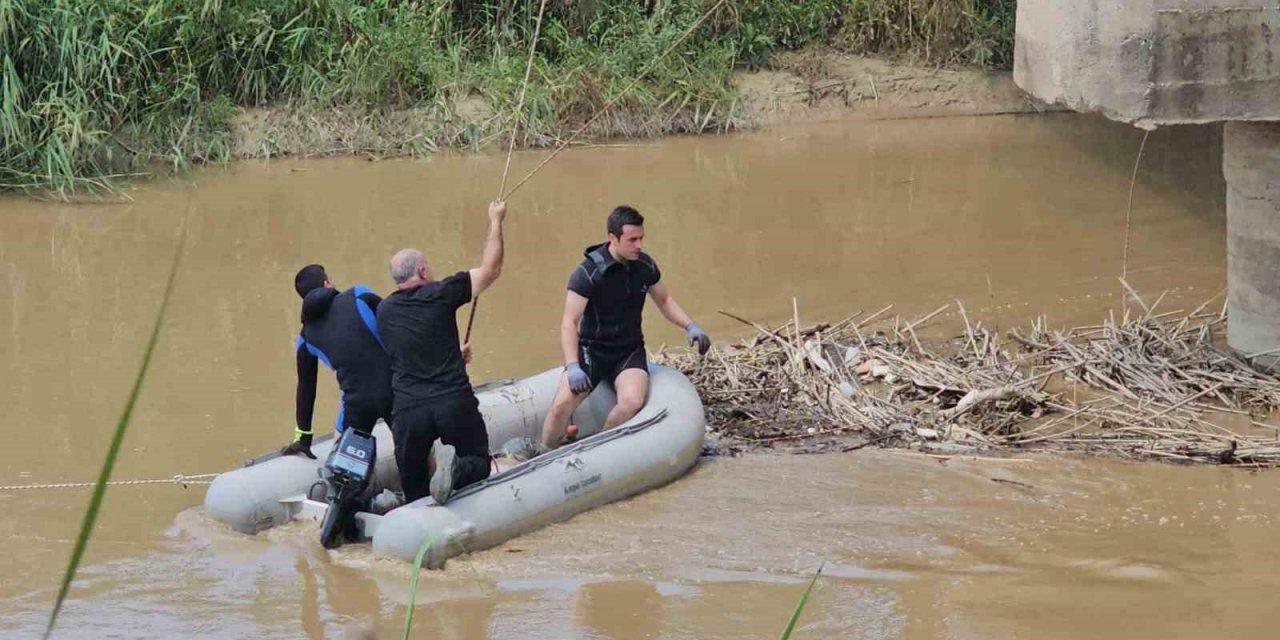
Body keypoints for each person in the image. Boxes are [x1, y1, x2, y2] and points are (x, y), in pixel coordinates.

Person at [539, 205, 711, 451]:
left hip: (628, 350)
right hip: (593, 350)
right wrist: (573, 366)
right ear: (613, 238)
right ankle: (546, 450)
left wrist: (690, 325)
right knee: (561, 406)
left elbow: (664, 300)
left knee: (631, 402)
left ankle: (597, 446)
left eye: (641, 238)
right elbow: (569, 322)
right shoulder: (588, 273)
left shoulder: (644, 266)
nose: (639, 245)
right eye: (632, 240)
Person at [376, 200, 507, 505]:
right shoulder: (441, 293)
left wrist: (451, 354)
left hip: (408, 410)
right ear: (422, 271)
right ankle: (457, 468)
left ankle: (410, 514)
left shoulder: (384, 310)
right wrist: (496, 220)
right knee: (478, 462)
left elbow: (410, 347)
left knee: (413, 483)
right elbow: (491, 269)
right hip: (451, 402)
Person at [284, 265, 392, 458]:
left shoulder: (305, 338)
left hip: (357, 404)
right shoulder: (360, 295)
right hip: (396, 389)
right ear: (327, 283)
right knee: (418, 450)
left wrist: (303, 437)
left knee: (341, 448)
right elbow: (399, 323)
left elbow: (306, 390)